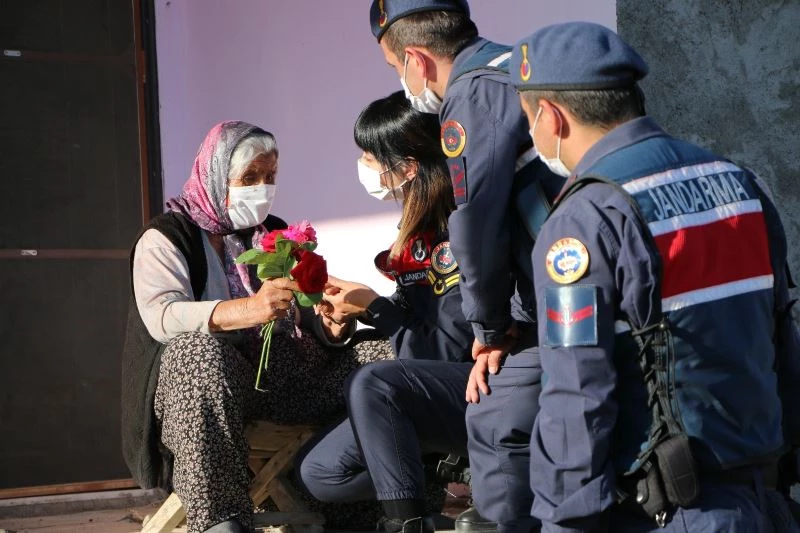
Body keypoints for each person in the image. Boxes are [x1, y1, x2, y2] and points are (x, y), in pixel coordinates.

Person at [507, 22, 800, 532]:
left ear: (550, 117)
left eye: (527, 119)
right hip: (765, 500)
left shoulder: (584, 218)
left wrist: (564, 519)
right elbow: (782, 334)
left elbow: (576, 391)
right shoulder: (738, 182)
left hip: (672, 510)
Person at [121, 121, 394, 533]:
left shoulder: (277, 234)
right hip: (221, 388)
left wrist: (331, 323)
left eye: (270, 177)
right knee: (195, 354)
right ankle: (221, 518)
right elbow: (163, 317)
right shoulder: (167, 237)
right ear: (215, 176)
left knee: (385, 354)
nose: (262, 188)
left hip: (289, 379)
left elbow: (304, 315)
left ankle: (395, 506)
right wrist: (249, 308)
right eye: (249, 178)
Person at [368, 2, 564, 533]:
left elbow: (477, 221)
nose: (403, 81)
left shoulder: (471, 95)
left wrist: (490, 331)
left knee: (494, 413)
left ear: (416, 59)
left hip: (563, 295)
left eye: (395, 68)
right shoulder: (516, 65)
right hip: (577, 283)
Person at [297, 91, 475, 533]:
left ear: (409, 167)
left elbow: (445, 350)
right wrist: (354, 308)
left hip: (471, 385)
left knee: (369, 381)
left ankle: (407, 522)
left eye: (370, 156)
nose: (363, 166)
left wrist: (374, 306)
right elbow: (416, 311)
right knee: (320, 472)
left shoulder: (455, 233)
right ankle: (437, 471)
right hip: (426, 390)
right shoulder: (417, 228)